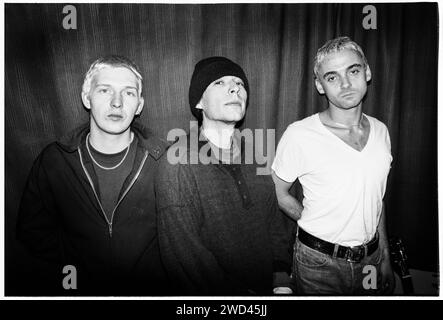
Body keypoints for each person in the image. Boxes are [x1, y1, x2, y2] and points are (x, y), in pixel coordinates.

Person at [16, 55, 169, 295]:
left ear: (139, 105)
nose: (116, 103)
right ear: (86, 98)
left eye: (128, 93)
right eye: (105, 90)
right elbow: (32, 232)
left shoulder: (165, 159)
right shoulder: (55, 161)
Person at [155, 57, 294, 295]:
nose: (234, 88)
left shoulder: (256, 155)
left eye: (239, 83)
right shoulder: (178, 163)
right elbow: (186, 258)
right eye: (219, 83)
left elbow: (274, 224)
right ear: (199, 102)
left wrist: (280, 276)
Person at [271, 37, 395, 295]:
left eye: (353, 70)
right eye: (332, 77)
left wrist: (384, 254)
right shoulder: (300, 134)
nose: (346, 84)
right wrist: (315, 223)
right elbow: (279, 193)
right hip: (317, 263)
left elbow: (377, 198)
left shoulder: (382, 132)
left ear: (367, 72)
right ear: (319, 85)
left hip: (371, 260)